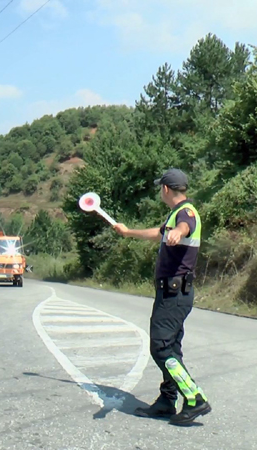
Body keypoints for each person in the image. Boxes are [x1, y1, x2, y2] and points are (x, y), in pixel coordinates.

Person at [111, 168, 211, 425]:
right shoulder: (176, 214)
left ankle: (194, 399)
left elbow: (183, 227)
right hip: (174, 293)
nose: (159, 192)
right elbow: (159, 233)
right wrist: (127, 232)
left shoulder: (185, 213)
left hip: (175, 293)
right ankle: (167, 399)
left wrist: (179, 233)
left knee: (161, 347)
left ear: (166, 189)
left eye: (160, 188)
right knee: (171, 348)